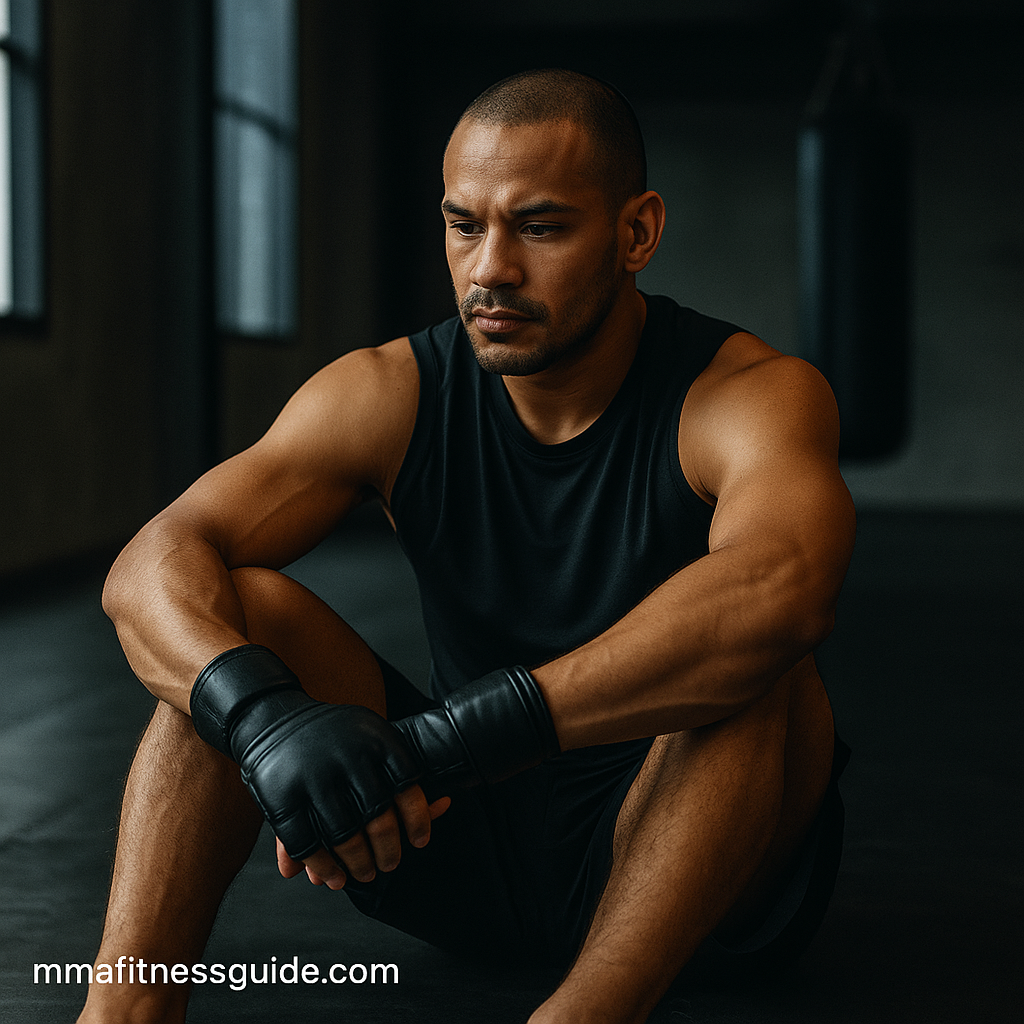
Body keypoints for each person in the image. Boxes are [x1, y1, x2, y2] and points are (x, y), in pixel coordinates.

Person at [78, 68, 856, 1024]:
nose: (490, 267)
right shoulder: (388, 392)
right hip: (460, 838)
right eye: (463, 225)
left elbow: (786, 589)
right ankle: (122, 1013)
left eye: (540, 228)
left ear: (636, 233)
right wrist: (261, 721)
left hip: (699, 878)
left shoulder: (744, 394)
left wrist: (449, 741)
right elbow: (153, 560)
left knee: (762, 668)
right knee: (239, 614)